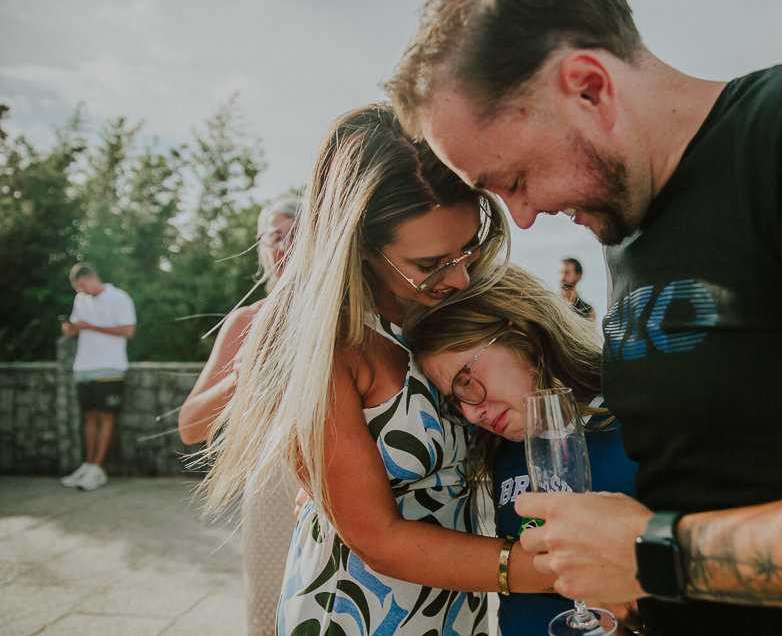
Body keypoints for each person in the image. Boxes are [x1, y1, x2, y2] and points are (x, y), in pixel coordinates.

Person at [384, 0, 782, 634]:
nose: (525, 216)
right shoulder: (625, 230)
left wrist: (658, 556)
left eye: (516, 178)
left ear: (588, 87)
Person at [197, 103, 557, 636]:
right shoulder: (321, 341)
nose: (460, 277)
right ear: (360, 244)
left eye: (468, 249)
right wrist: (555, 570)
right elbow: (378, 539)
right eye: (430, 264)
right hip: (359, 611)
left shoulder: (451, 302)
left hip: (457, 607)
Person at [407, 264, 640, 636]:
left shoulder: (635, 424)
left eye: (466, 380)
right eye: (455, 401)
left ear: (522, 334)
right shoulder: (500, 446)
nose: (471, 413)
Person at [177, 196, 301, 636]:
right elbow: (190, 427)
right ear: (260, 246)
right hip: (273, 488)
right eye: (275, 235)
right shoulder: (246, 320)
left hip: (345, 477)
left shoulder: (352, 310)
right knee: (271, 619)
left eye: (297, 232)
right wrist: (243, 374)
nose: (285, 244)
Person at [59, 262, 136, 492]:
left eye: (82, 285)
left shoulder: (119, 297)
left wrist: (90, 326)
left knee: (106, 416)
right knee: (88, 416)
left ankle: (98, 468)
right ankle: (88, 464)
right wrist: (71, 329)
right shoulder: (80, 300)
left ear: (93, 278)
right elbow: (77, 327)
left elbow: (128, 331)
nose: (80, 290)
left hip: (109, 366)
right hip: (84, 366)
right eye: (77, 287)